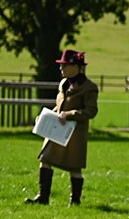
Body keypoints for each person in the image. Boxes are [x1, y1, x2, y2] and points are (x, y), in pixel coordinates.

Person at [25, 49, 99, 206]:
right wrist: (45, 116)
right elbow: (59, 107)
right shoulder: (63, 83)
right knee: (45, 159)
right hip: (56, 129)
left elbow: (91, 111)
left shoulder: (89, 87)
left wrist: (69, 114)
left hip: (75, 134)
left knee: (74, 167)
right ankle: (43, 198)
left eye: (64, 65)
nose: (61, 68)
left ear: (76, 66)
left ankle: (75, 201)